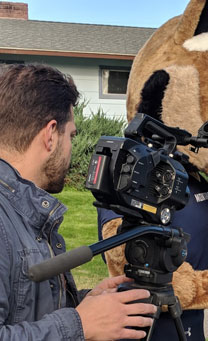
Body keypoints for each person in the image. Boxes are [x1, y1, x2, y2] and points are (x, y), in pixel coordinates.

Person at [0, 63, 157, 340]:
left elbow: (23, 309)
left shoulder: (23, 209)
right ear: (50, 134)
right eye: (71, 135)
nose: (72, 146)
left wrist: (84, 305)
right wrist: (79, 324)